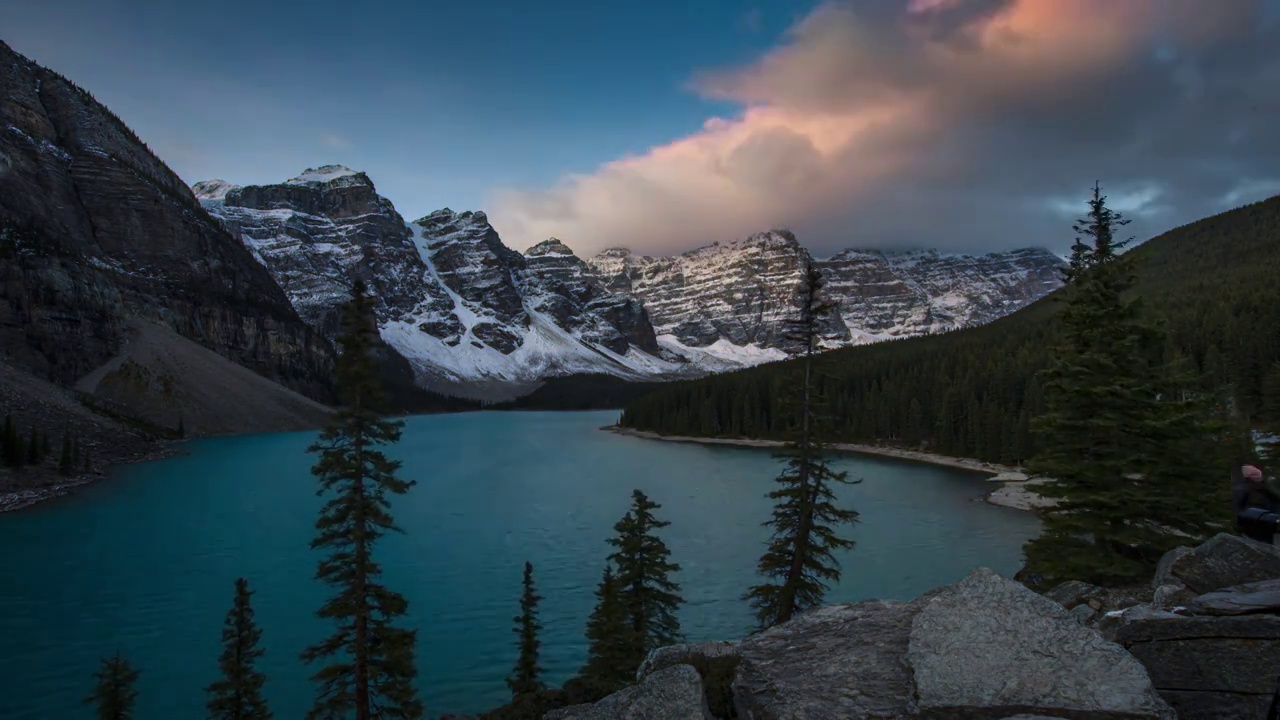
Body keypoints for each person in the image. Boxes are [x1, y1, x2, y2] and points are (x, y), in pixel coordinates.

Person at [1233, 464, 1280, 544]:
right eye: (1256, 475)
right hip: (1253, 525)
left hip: (1265, 524)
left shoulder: (1264, 489)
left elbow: (1275, 502)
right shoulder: (1242, 489)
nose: (1259, 477)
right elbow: (1238, 510)